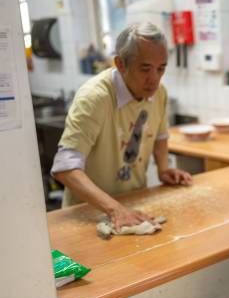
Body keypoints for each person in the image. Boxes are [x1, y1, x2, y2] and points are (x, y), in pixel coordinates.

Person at [51, 22, 192, 230]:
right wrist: (114, 209)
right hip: (87, 215)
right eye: (145, 68)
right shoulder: (95, 98)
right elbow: (65, 169)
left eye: (161, 69)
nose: (154, 79)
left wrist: (163, 169)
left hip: (134, 206)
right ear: (120, 64)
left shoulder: (158, 93)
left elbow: (160, 135)